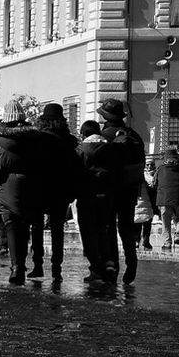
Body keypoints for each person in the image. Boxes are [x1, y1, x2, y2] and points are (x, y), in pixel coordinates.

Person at [0, 100, 49, 285]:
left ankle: (17, 267)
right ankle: (32, 264)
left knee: (12, 226)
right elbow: (42, 164)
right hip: (32, 186)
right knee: (26, 226)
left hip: (7, 186)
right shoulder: (37, 139)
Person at [96, 98, 146, 285]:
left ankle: (113, 267)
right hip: (131, 188)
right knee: (126, 228)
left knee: (108, 228)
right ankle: (131, 262)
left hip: (110, 189)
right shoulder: (134, 136)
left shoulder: (105, 136)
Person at [30, 102, 79, 283]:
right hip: (61, 190)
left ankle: (37, 265)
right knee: (58, 230)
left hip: (40, 187)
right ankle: (56, 268)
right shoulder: (69, 141)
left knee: (37, 227)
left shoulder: (38, 139)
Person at [74, 120, 116, 283]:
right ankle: (109, 264)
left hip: (87, 196)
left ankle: (96, 270)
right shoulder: (111, 149)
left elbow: (75, 174)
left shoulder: (81, 151)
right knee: (104, 230)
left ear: (84, 134)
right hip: (107, 196)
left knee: (88, 233)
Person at [152, 142, 179, 251]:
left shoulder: (160, 168)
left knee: (166, 222)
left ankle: (167, 243)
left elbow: (154, 183)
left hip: (164, 199)